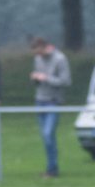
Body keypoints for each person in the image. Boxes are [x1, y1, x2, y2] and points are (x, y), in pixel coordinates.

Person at [30, 36, 71, 179]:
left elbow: (66, 81)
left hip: (53, 102)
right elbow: (39, 80)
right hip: (40, 100)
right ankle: (51, 168)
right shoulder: (37, 59)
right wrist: (35, 79)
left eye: (39, 53)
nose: (38, 56)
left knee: (48, 134)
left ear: (45, 47)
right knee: (46, 137)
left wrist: (46, 78)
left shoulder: (60, 59)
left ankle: (53, 169)